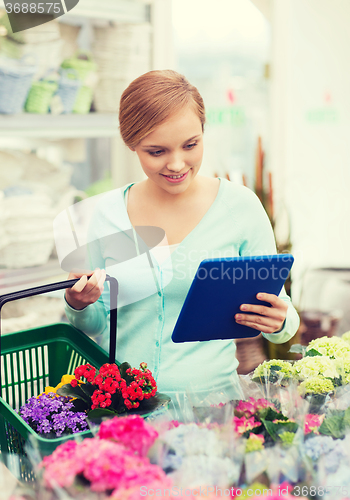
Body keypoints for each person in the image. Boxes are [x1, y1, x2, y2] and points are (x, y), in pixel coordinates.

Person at [64, 69, 300, 402]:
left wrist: (278, 320)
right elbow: (95, 327)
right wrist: (77, 304)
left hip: (213, 406)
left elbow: (286, 320)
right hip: (126, 408)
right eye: (156, 151)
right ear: (132, 144)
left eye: (190, 145)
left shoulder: (240, 207)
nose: (177, 164)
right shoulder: (109, 214)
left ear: (204, 131)